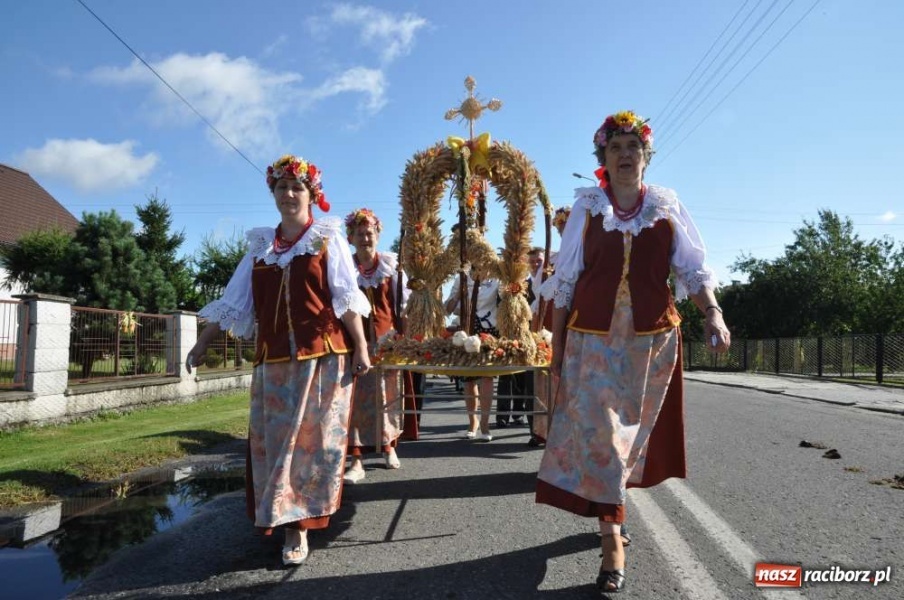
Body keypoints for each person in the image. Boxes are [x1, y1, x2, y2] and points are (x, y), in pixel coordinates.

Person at [535, 111, 730, 595]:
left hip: (650, 343)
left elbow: (692, 270)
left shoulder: (666, 207)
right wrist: (556, 351)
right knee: (604, 441)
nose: (625, 155)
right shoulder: (586, 208)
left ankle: (611, 516)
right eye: (616, 147)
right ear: (603, 158)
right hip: (593, 342)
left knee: (629, 447)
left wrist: (713, 313)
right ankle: (611, 545)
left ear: (646, 157)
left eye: (633, 147)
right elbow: (565, 283)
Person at [186, 154, 372, 567]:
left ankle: (298, 526)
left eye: (296, 188)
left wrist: (360, 347)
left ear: (311, 194)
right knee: (275, 446)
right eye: (281, 188)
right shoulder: (259, 248)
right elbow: (235, 303)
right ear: (272, 193)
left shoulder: (327, 239)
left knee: (311, 445)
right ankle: (285, 517)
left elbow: (345, 298)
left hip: (322, 358)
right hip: (273, 363)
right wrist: (202, 345)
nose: (288, 194)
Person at [343, 208, 409, 483]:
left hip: (387, 342)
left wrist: (406, 341)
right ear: (351, 237)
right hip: (354, 344)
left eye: (369, 233)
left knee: (388, 398)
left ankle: (389, 447)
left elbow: (403, 307)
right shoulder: (345, 268)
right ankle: (356, 460)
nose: (365, 238)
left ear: (378, 235)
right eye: (359, 234)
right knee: (356, 402)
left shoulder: (392, 267)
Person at [444, 273, 499, 442]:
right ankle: (472, 421)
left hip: (489, 330)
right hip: (466, 329)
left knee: (487, 377)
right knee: (468, 379)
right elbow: (448, 308)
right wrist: (459, 295)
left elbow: (505, 301)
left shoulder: (497, 278)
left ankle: (485, 422)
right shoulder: (462, 277)